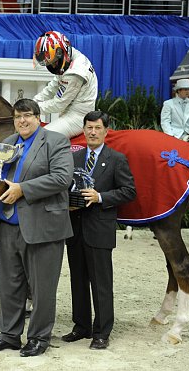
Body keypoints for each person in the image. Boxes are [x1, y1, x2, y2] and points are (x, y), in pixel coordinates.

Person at [0, 98, 74, 357]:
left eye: (27, 116)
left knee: (42, 287)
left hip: (43, 227)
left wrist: (23, 189)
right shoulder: (8, 143)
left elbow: (62, 178)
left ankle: (38, 338)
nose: (22, 121)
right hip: (7, 225)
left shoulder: (55, 141)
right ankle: (9, 335)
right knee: (9, 285)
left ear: (38, 117)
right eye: (17, 117)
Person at [63, 111, 137, 350]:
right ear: (83, 130)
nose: (92, 132)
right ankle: (81, 326)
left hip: (100, 230)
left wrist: (101, 197)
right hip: (74, 229)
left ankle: (102, 332)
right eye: (88, 128)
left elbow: (129, 191)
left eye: (97, 128)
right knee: (78, 280)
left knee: (101, 283)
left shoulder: (117, 159)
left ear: (106, 131)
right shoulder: (73, 158)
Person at [32, 31, 98, 138]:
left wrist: (33, 108)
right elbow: (52, 87)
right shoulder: (69, 55)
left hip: (78, 117)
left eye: (54, 62)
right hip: (67, 112)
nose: (53, 66)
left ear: (60, 52)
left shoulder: (75, 72)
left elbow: (59, 104)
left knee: (42, 137)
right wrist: (33, 101)